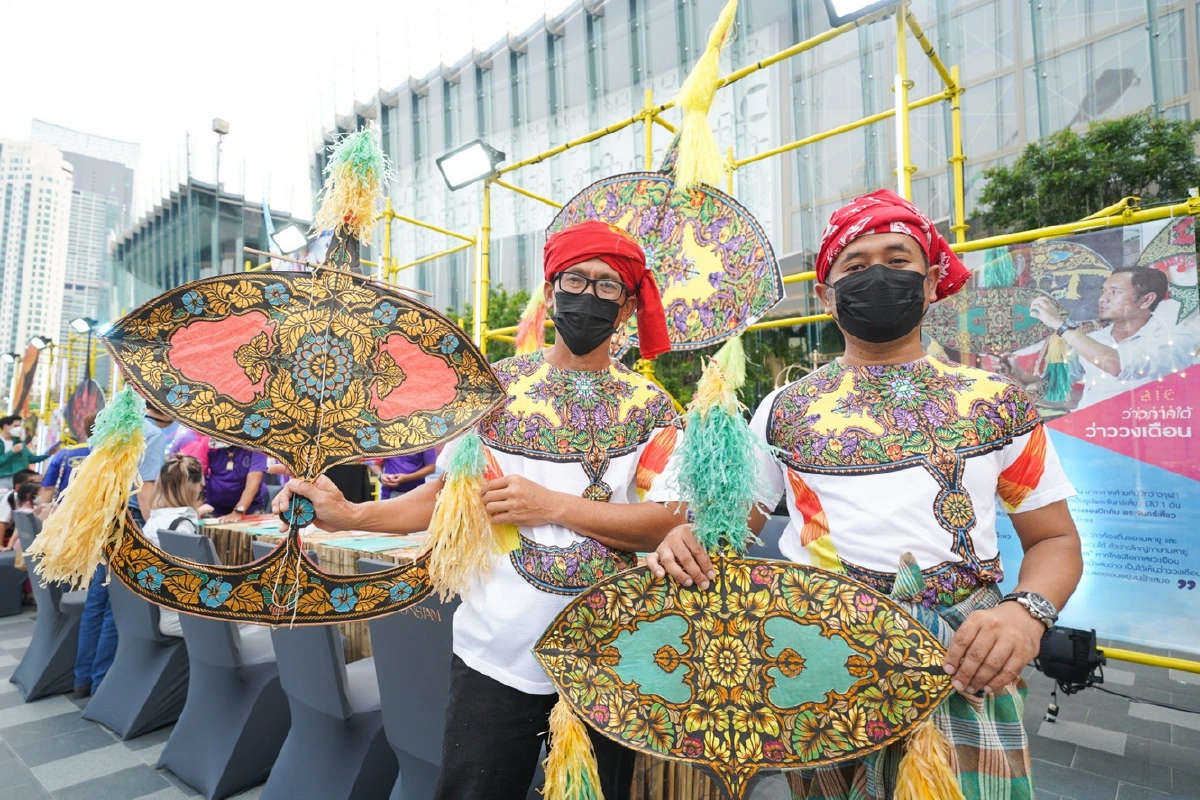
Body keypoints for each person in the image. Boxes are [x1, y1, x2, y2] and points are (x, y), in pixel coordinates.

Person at [650, 190, 1083, 800]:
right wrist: (688, 540)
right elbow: (730, 529)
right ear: (827, 297)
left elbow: (1055, 539)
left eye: (898, 260)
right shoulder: (784, 410)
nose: (877, 276)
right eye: (854, 267)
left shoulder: (995, 400)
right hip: (822, 656)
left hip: (965, 658)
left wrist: (1023, 615)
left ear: (932, 283)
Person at [272, 221, 685, 800]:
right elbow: (446, 497)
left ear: (626, 309)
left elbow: (668, 521)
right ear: (550, 288)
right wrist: (351, 515)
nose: (587, 297)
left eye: (608, 286)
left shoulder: (652, 408)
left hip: (607, 654)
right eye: (575, 279)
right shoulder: (493, 389)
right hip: (494, 654)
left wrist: (552, 505)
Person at [71, 397, 171, 698]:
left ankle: (83, 679)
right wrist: (155, 531)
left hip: (104, 517)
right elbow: (147, 490)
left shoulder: (117, 425)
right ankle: (102, 682)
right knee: (118, 606)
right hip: (131, 520)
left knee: (97, 603)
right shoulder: (152, 434)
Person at [1026, 267, 1198, 409]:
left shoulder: (1173, 337)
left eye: (1114, 292)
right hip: (1092, 435)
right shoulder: (1093, 339)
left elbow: (1120, 366)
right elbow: (1055, 388)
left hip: (1148, 438)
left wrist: (1060, 325)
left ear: (1146, 300)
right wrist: (1016, 374)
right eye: (1103, 291)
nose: (1102, 299)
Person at [140, 455, 213, 637]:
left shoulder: (153, 522)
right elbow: (192, 584)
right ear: (192, 488)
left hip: (162, 613)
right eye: (201, 488)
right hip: (180, 618)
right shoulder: (180, 527)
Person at [38, 413, 97, 504]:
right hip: (102, 512)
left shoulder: (65, 453)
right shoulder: (114, 455)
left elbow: (48, 488)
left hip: (65, 510)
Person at [205, 442, 269, 522]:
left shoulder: (257, 446)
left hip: (248, 511)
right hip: (213, 510)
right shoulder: (210, 442)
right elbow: (199, 478)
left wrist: (238, 511)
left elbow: (253, 483)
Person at [0, 415, 58, 490]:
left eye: (20, 426)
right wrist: (12, 451)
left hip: (20, 479)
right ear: (5, 426)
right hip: (3, 479)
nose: (19, 429)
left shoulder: (19, 442)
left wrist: (48, 454)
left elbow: (31, 458)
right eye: (16, 426)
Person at [371, 448, 437, 499]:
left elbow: (431, 468)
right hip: (389, 493)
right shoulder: (387, 439)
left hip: (415, 493)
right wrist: (381, 476)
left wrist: (407, 478)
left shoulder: (424, 438)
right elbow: (376, 465)